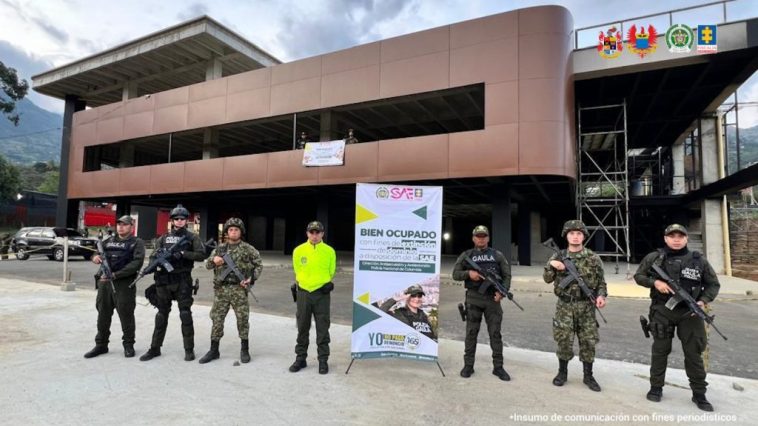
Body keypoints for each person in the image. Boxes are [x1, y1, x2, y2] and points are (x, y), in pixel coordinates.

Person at [634, 224, 720, 412]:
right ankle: (656, 388)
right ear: (665, 238)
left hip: (690, 313)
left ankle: (699, 394)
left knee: (693, 354)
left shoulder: (699, 261)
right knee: (660, 351)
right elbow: (639, 276)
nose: (676, 239)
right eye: (672, 236)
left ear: (686, 239)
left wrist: (703, 301)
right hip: (662, 310)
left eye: (680, 236)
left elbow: (713, 284)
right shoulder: (655, 258)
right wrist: (655, 282)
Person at [543, 220, 607, 392]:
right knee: (563, 340)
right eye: (572, 233)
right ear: (566, 236)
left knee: (588, 341)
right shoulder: (557, 256)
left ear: (584, 236)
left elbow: (601, 282)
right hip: (565, 306)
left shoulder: (593, 258)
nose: (576, 237)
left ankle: (588, 376)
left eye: (579, 233)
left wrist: (601, 296)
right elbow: (547, 279)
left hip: (587, 306)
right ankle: (562, 373)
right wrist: (552, 266)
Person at [139, 204, 206, 362]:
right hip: (164, 281)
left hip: (182, 280)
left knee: (185, 314)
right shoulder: (163, 238)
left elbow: (201, 255)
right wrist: (153, 266)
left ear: (186, 221)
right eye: (177, 219)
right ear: (172, 221)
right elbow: (154, 256)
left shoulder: (192, 238)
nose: (180, 221)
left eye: (183, 219)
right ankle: (155, 348)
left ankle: (189, 350)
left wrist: (183, 254)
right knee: (161, 315)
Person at [452, 225, 512, 381]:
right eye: (478, 236)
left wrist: (502, 292)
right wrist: (469, 273)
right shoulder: (466, 255)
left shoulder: (497, 255)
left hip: (493, 300)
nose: (481, 238)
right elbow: (455, 274)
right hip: (473, 298)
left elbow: (507, 276)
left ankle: (498, 367)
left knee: (495, 334)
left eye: (483, 236)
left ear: (488, 238)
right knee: (471, 334)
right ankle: (468, 366)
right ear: (473, 238)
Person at [199, 218, 262, 364]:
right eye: (231, 230)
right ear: (227, 232)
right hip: (221, 289)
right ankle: (214, 350)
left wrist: (251, 279)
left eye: (236, 230)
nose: (233, 232)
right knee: (217, 319)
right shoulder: (220, 249)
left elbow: (258, 265)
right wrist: (214, 260)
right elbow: (208, 265)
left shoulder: (248, 249)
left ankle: (244, 349)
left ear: (241, 232)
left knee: (242, 319)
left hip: (239, 289)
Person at [84, 215, 145, 358]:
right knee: (103, 315)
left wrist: (117, 275)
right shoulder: (108, 241)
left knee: (126, 315)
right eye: (118, 224)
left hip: (123, 284)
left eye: (124, 224)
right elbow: (95, 252)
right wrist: (95, 258)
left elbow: (136, 263)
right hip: (104, 284)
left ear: (131, 226)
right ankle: (101, 345)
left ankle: (128, 345)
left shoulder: (137, 242)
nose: (120, 227)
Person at [289, 221, 336, 374]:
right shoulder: (298, 250)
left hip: (321, 294)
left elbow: (331, 271)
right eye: (312, 232)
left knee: (323, 327)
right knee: (302, 326)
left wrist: (326, 283)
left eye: (318, 232)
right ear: (307, 233)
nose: (314, 236)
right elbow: (298, 270)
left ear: (322, 233)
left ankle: (323, 360)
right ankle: (300, 358)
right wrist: (304, 284)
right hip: (303, 293)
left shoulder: (329, 251)